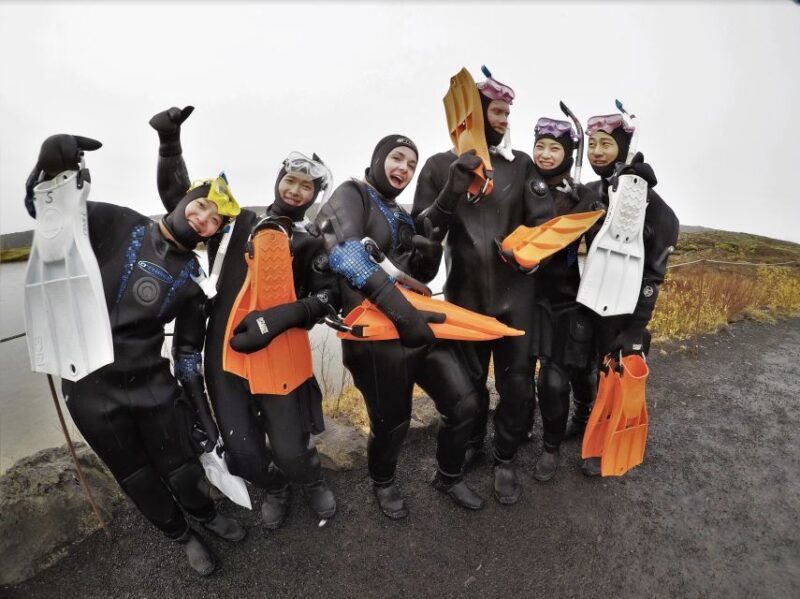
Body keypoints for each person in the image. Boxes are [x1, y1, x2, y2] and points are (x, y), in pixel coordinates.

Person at [24, 134, 245, 576]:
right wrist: (51, 168)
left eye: (215, 220)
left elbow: (186, 350)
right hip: (89, 386)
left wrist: (201, 412)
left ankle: (203, 512)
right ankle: (180, 535)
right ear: (184, 200)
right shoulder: (118, 224)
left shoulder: (194, 278)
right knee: (136, 475)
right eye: (201, 206)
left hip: (152, 382)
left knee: (181, 465)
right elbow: (45, 212)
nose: (204, 219)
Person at [150, 107, 338, 529]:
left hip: (280, 353)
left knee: (292, 449)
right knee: (243, 453)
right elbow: (183, 203)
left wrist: (291, 313)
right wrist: (169, 144)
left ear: (315, 195)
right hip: (225, 352)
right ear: (277, 180)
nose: (294, 190)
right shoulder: (235, 224)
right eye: (289, 180)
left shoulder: (311, 242)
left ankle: (308, 480)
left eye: (305, 186)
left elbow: (328, 298)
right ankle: (274, 487)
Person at [315, 134, 485, 519]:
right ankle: (383, 481)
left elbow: (419, 253)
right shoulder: (352, 193)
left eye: (411, 164)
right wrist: (401, 314)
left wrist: (453, 191)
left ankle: (449, 473)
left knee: (464, 402)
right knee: (393, 422)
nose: (404, 169)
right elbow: (344, 251)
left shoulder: (400, 213)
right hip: (375, 335)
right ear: (377, 158)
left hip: (418, 326)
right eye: (397, 158)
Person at [413, 69, 555, 504]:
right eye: (497, 110)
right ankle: (471, 440)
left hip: (517, 297)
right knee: (470, 382)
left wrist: (530, 257)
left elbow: (544, 222)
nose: (504, 119)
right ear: (473, 110)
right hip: (465, 296)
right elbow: (423, 232)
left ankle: (506, 456)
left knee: (515, 383)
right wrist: (453, 189)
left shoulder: (521, 166)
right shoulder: (439, 166)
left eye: (508, 112)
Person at [581, 112, 680, 476]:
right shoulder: (592, 193)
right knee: (591, 371)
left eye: (606, 143)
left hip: (627, 309)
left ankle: (610, 442)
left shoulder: (652, 205)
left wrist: (637, 327)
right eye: (591, 144)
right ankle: (587, 426)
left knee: (615, 374)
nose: (597, 151)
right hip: (591, 300)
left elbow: (655, 271)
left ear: (625, 148)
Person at [527, 117, 602, 481]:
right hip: (532, 299)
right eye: (540, 145)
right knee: (548, 380)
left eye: (554, 147)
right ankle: (552, 443)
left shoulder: (585, 195)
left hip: (573, 300)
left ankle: (579, 421)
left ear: (569, 153)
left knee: (575, 372)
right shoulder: (526, 187)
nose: (545, 153)